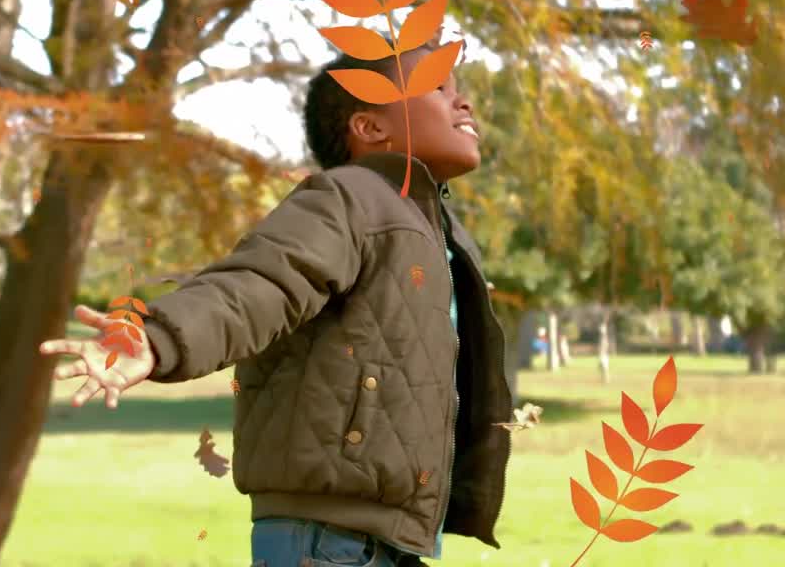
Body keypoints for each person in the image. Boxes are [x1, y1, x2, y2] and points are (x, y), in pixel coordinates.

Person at [41, 32, 513, 567]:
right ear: (369, 126)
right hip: (327, 540)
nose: (462, 101)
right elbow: (261, 283)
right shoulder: (349, 199)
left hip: (385, 539)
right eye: (437, 87)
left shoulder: (439, 236)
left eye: (458, 87)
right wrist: (158, 338)